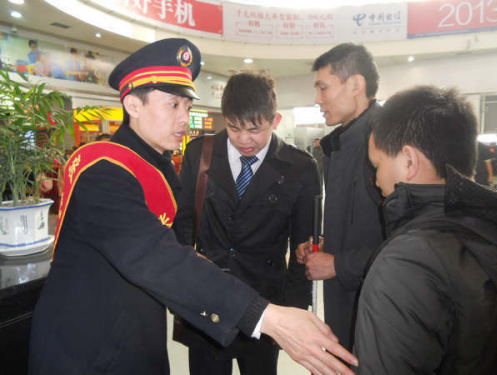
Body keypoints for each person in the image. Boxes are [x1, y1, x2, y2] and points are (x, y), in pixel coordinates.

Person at [29, 38, 357, 375]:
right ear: (133, 105)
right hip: (88, 353)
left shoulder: (157, 166)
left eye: (187, 106)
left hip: (137, 339)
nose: (185, 118)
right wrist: (267, 316)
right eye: (173, 105)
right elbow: (157, 255)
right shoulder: (103, 171)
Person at [174, 71, 321, 375]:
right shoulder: (199, 154)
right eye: (233, 127)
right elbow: (183, 224)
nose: (243, 139)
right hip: (207, 297)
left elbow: (301, 250)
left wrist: (294, 312)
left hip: (266, 303)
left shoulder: (300, 168)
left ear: (275, 120)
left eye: (255, 129)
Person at [354, 85, 497, 373]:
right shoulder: (489, 227)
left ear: (409, 161)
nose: (376, 179)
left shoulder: (406, 262)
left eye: (377, 165)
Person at [296, 43, 384, 350]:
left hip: (379, 312)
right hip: (345, 307)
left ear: (355, 84)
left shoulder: (387, 144)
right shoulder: (342, 144)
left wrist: (338, 265)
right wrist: (322, 246)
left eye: (323, 87)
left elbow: (412, 241)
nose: (318, 99)